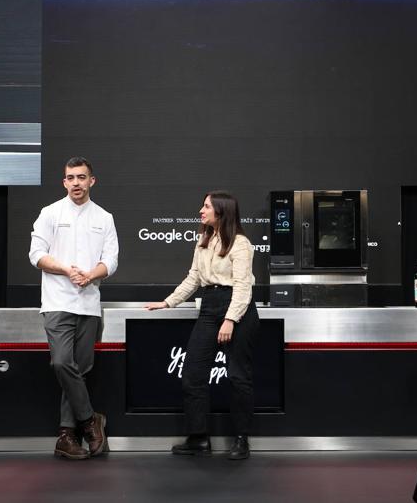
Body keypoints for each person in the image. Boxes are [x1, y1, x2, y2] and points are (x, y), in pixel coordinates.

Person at [146, 191, 260, 460]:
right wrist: (168, 302)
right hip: (210, 306)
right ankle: (198, 438)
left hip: (238, 309)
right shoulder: (203, 240)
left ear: (221, 211)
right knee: (193, 375)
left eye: (206, 206)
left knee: (238, 376)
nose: (201, 210)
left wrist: (230, 319)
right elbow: (193, 279)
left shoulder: (241, 244)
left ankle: (241, 439)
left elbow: (243, 287)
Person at [29, 157, 119, 460]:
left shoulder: (105, 217)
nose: (76, 183)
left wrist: (91, 275)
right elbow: (36, 254)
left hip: (89, 304)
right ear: (64, 182)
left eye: (82, 177)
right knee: (61, 363)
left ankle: (66, 436)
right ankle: (91, 420)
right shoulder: (50, 213)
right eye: (71, 178)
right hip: (57, 302)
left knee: (80, 370)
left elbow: (112, 260)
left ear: (92, 181)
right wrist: (69, 270)